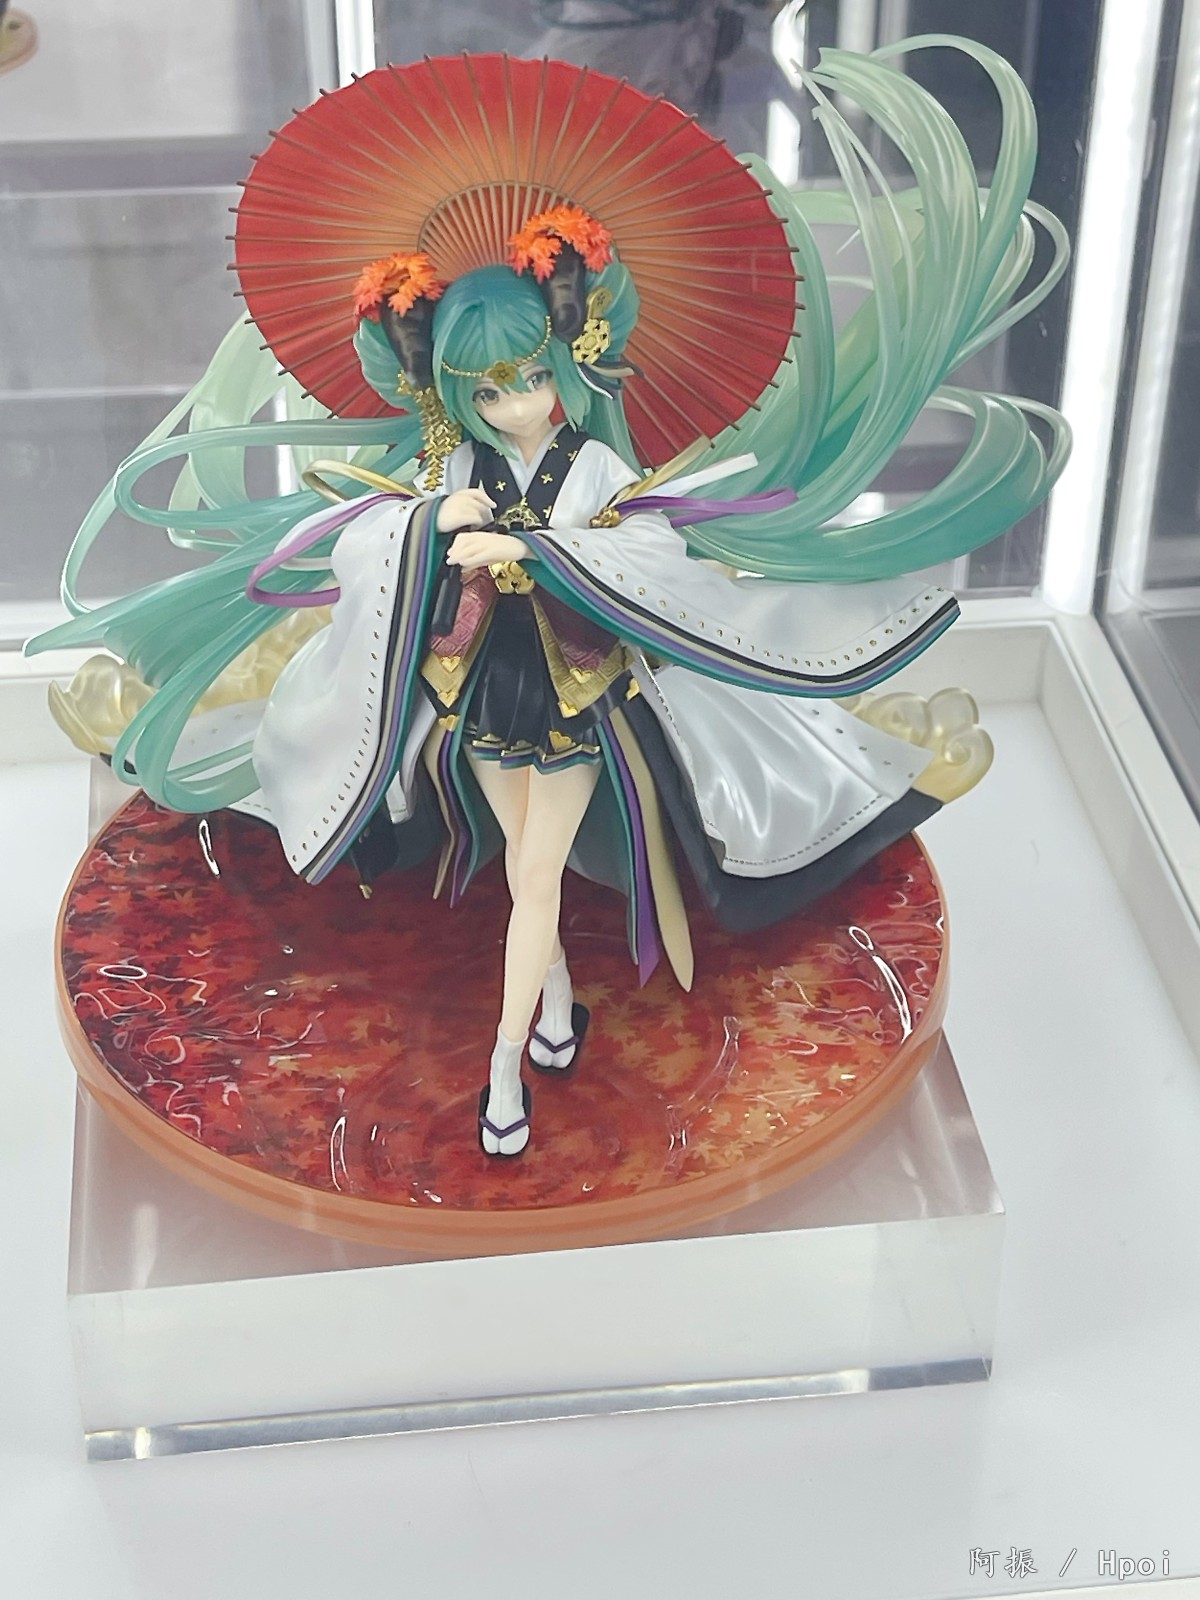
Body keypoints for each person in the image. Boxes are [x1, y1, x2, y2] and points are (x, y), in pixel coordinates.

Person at [28, 40, 1070, 1157]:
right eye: (487, 390)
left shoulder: (597, 467)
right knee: (524, 865)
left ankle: (501, 1072)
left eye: (530, 378)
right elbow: (376, 538)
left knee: (533, 877)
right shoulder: (455, 467)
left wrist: (541, 547)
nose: (515, 404)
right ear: (452, 393)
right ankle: (559, 1010)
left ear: (570, 359)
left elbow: (653, 557)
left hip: (576, 692)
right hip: (483, 687)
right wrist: (437, 527)